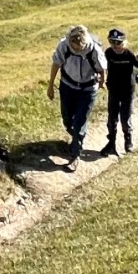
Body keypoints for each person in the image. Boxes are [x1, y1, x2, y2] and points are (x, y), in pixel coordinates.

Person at [46, 23, 105, 170]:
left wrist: (102, 83)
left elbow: (102, 69)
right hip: (67, 86)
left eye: (80, 47)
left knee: (79, 122)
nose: (77, 49)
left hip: (87, 90)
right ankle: (77, 137)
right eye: (75, 46)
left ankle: (75, 155)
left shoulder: (94, 50)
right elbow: (56, 64)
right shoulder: (63, 46)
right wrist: (51, 85)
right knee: (67, 119)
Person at [98, 28, 138, 156]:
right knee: (112, 118)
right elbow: (101, 66)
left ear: (125, 43)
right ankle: (111, 144)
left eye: (119, 43)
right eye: (112, 42)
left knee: (125, 117)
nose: (116, 46)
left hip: (127, 91)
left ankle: (128, 143)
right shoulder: (108, 53)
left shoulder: (129, 54)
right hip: (113, 90)